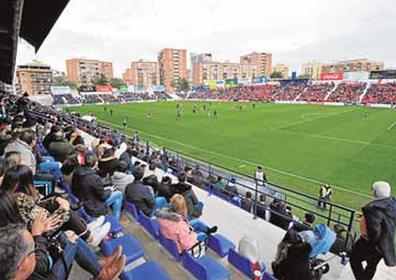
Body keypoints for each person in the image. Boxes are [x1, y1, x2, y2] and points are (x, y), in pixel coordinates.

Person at [2, 165, 110, 246]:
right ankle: (90, 237)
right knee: (67, 213)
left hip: (35, 225)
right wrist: (64, 209)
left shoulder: (12, 195)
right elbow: (39, 223)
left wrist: (55, 200)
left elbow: (37, 207)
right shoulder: (20, 200)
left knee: (57, 200)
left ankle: (84, 229)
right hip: (38, 232)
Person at [350, 181, 396, 280]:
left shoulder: (371, 209)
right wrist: (364, 217)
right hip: (385, 242)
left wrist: (372, 247)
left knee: (354, 260)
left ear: (376, 192)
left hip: (368, 242)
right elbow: (383, 218)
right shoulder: (392, 204)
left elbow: (374, 232)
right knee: (371, 265)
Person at [72, 153, 123, 221]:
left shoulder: (77, 171)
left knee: (109, 190)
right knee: (119, 194)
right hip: (93, 207)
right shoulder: (94, 178)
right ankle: (116, 220)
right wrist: (110, 190)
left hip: (84, 199)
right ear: (95, 163)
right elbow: (103, 197)